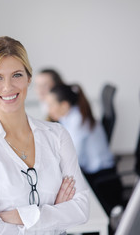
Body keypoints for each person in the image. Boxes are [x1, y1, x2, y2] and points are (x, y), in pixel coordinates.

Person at [0, 36, 89, 234]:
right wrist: (53, 214)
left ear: (29, 78)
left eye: (17, 75)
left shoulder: (57, 135)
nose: (8, 87)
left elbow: (81, 209)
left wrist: (23, 216)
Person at [46, 84, 123, 214]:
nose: (48, 110)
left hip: (103, 182)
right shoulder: (69, 115)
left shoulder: (78, 121)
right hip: (94, 175)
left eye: (51, 105)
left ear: (64, 105)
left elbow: (73, 158)